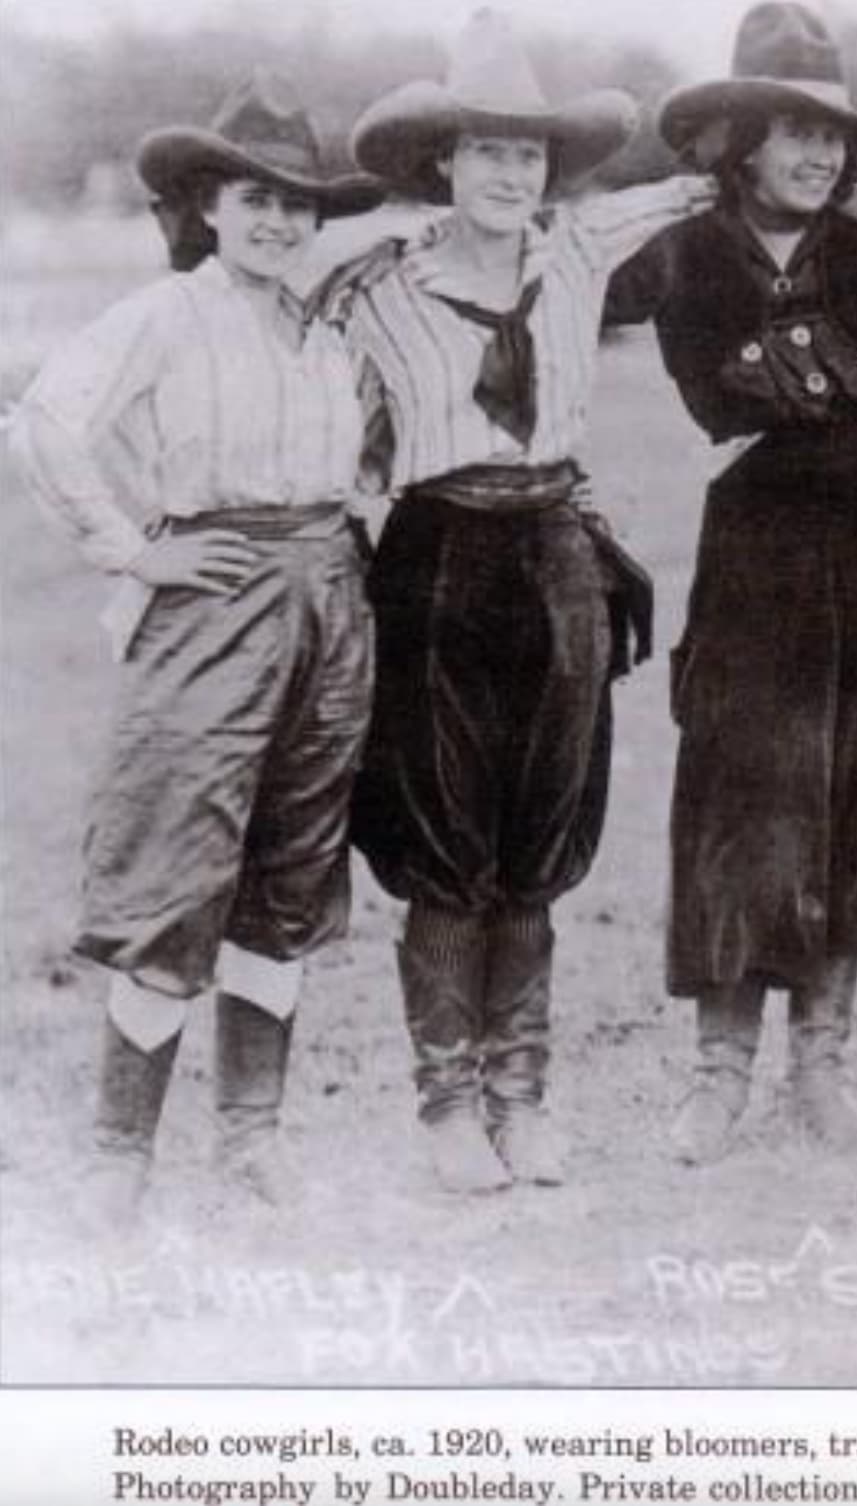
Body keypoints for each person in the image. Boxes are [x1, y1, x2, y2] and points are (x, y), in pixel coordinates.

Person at [325, 8, 714, 1193]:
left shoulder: (578, 252)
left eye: (527, 153)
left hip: (555, 555)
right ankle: (448, 1105)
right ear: (443, 161)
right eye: (485, 150)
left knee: (538, 835)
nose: (508, 173)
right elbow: (333, 427)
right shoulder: (377, 289)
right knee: (446, 837)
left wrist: (755, 144)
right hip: (435, 561)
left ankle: (523, 1095)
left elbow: (700, 190)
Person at [9, 74, 385, 1220]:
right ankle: (121, 1155)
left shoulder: (324, 329)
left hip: (328, 599)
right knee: (178, 864)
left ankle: (250, 1141)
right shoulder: (170, 314)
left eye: (298, 204)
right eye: (253, 198)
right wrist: (133, 550)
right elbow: (46, 418)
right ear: (208, 207)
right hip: (210, 598)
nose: (277, 221)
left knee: (292, 867)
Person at [604, 1, 857, 1167]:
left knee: (854, 793)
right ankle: (718, 1076)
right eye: (791, 131)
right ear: (741, 138)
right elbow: (557, 274)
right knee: (742, 799)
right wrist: (659, 199)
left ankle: (824, 1066)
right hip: (758, 543)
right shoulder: (684, 251)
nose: (816, 153)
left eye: (833, 135)